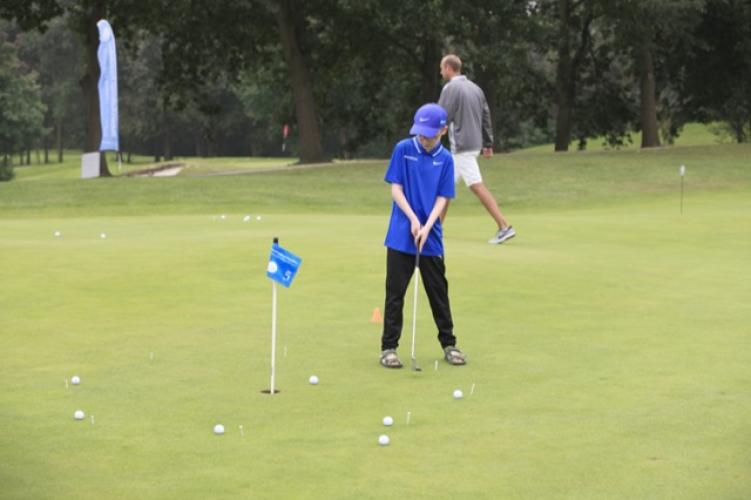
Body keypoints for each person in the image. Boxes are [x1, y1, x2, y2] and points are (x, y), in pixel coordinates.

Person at [379, 103, 466, 369]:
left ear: (442, 131)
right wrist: (414, 219)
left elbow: (443, 197)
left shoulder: (446, 159)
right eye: (421, 133)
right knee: (395, 293)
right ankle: (389, 348)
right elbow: (396, 189)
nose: (424, 138)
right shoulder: (404, 149)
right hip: (401, 232)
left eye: (429, 134)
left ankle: (449, 344)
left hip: (431, 235)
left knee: (438, 292)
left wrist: (428, 225)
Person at [438, 54, 516, 245]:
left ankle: (504, 226)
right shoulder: (476, 88)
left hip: (461, 146)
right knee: (444, 187)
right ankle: (436, 229)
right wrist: (488, 144)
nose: (440, 72)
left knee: (475, 185)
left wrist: (431, 138)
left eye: (442, 68)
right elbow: (486, 116)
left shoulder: (450, 88)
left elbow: (442, 116)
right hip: (473, 144)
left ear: (448, 68)